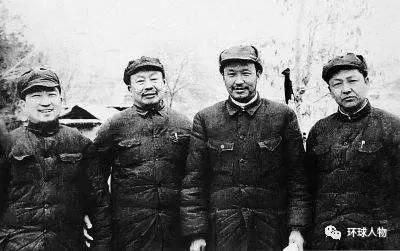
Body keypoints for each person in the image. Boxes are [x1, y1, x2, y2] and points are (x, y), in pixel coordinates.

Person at [181, 45, 310, 251]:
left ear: (258, 74)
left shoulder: (282, 116)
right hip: (222, 232)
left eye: (246, 73)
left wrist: (297, 228)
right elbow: (194, 182)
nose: (238, 81)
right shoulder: (206, 119)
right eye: (231, 74)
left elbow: (298, 179)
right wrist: (196, 234)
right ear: (223, 77)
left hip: (272, 230)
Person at [0, 67, 111, 250]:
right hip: (16, 244)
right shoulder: (7, 145)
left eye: (51, 94)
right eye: (36, 96)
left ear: (61, 100)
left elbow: (99, 204)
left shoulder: (81, 144)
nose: (46, 102)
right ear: (22, 105)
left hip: (68, 243)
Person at [93, 56, 191, 250]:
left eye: (154, 79)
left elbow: (195, 179)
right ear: (130, 89)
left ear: (164, 83)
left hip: (175, 229)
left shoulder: (185, 125)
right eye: (140, 81)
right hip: (129, 231)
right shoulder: (114, 126)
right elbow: (95, 179)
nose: (148, 86)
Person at [306, 53, 400, 249]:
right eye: (337, 84)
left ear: (366, 81)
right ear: (330, 90)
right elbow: (309, 187)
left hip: (377, 238)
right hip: (328, 238)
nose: (346, 89)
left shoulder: (391, 127)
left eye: (352, 81)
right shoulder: (319, 130)